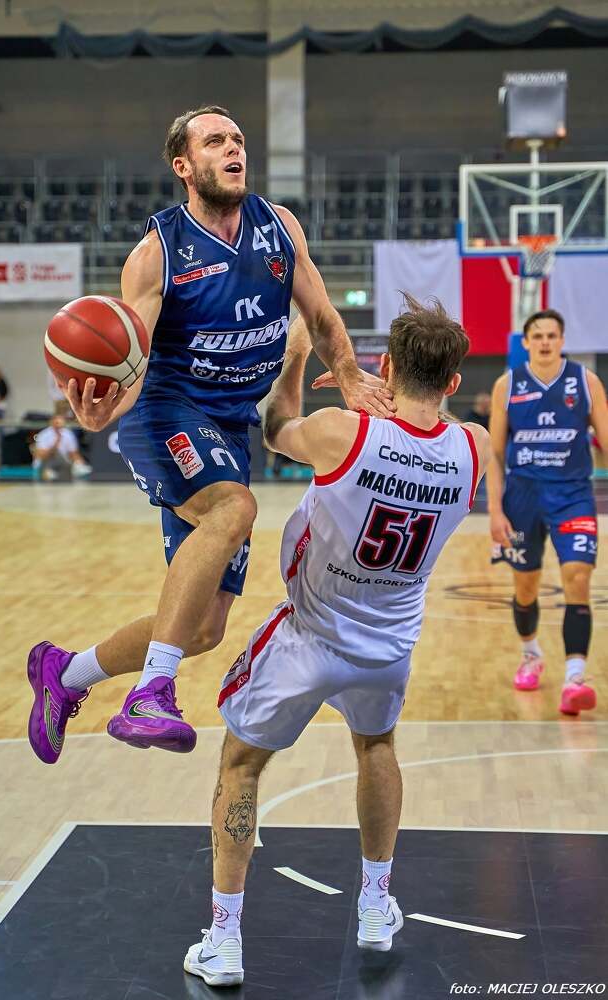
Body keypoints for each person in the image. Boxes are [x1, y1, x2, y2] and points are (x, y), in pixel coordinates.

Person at [27, 106, 393, 766]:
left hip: (227, 426)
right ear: (184, 165)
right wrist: (103, 414)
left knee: (201, 628)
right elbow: (132, 360)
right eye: (216, 141)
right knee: (233, 509)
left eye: (238, 140)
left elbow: (321, 315)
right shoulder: (157, 254)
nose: (233, 149)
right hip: (165, 413)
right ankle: (150, 694)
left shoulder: (278, 227)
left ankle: (64, 672)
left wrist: (347, 374)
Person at [182, 295, 490, 987]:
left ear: (386, 367)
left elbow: (274, 428)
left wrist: (297, 354)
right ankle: (375, 905)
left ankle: (224, 939)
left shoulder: (341, 432)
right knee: (375, 748)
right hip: (388, 648)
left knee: (240, 766)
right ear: (452, 382)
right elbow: (428, 436)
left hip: (310, 636)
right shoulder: (473, 447)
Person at [487, 308, 608, 715]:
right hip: (522, 496)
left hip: (573, 494)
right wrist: (495, 511)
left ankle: (575, 678)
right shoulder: (507, 385)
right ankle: (531, 654)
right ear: (525, 342)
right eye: (537, 335)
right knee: (526, 588)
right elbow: (495, 454)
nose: (544, 342)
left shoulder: (585, 381)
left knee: (578, 577)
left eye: (551, 335)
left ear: (562, 340)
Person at [32, 414, 92, 481]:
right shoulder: (44, 434)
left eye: (60, 422)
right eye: (56, 422)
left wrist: (79, 462)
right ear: (51, 422)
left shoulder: (68, 434)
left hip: (62, 463)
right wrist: (55, 444)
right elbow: (40, 456)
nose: (58, 425)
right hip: (45, 463)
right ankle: (50, 473)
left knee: (69, 464)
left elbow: (73, 453)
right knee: (56, 454)